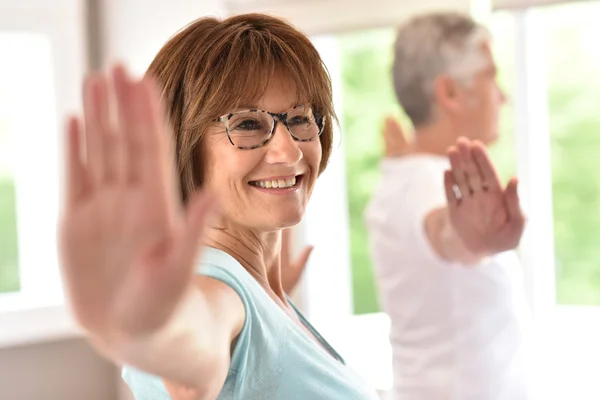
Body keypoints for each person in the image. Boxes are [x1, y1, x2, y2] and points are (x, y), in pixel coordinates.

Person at [57, 13, 381, 400]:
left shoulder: (259, 290)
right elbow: (194, 341)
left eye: (299, 118)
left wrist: (273, 298)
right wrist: (147, 332)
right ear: (181, 145)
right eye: (246, 124)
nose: (289, 149)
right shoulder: (215, 291)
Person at [364, 12, 533, 400]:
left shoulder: (404, 175)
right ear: (450, 93)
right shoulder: (428, 185)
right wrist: (471, 240)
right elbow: (444, 232)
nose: (502, 96)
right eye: (491, 76)